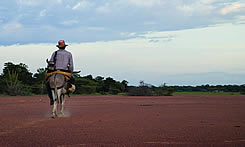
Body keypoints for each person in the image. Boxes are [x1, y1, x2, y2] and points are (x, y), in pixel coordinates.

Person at [46, 40, 75, 105]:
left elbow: (50, 62)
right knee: (72, 81)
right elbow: (71, 65)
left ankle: (51, 98)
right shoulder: (69, 54)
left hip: (55, 71)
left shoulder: (55, 53)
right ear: (65, 47)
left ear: (58, 47)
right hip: (65, 71)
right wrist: (71, 71)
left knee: (47, 83)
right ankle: (68, 91)